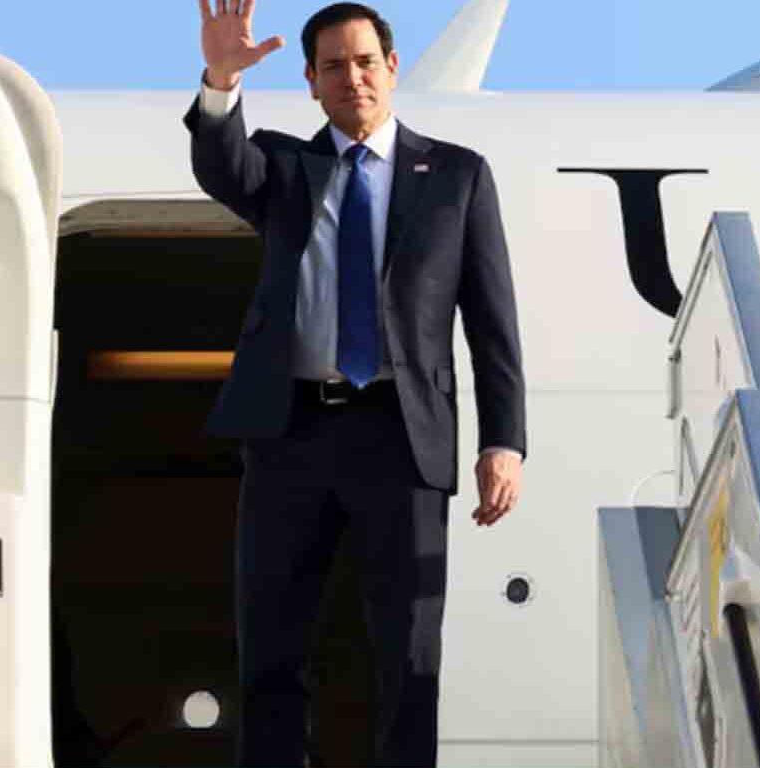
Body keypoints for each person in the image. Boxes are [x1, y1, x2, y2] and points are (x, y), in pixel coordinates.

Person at [185, 1, 527, 765]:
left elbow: (492, 323)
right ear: (310, 82)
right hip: (291, 435)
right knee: (272, 648)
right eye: (333, 66)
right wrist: (219, 80)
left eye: (366, 61)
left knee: (410, 655)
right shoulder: (279, 168)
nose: (353, 78)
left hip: (401, 437)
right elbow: (219, 164)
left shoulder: (459, 176)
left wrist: (504, 441)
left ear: (392, 68)